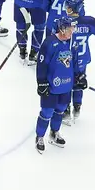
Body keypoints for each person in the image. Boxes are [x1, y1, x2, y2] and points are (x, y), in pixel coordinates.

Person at [35, 16, 77, 153]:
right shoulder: (49, 43)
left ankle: (54, 133)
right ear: (62, 29)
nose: (72, 31)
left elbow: (74, 62)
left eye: (73, 28)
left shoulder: (71, 43)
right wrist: (41, 83)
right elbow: (41, 65)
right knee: (47, 112)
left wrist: (78, 75)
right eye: (70, 28)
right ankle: (40, 137)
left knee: (60, 110)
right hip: (52, 86)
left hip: (66, 86)